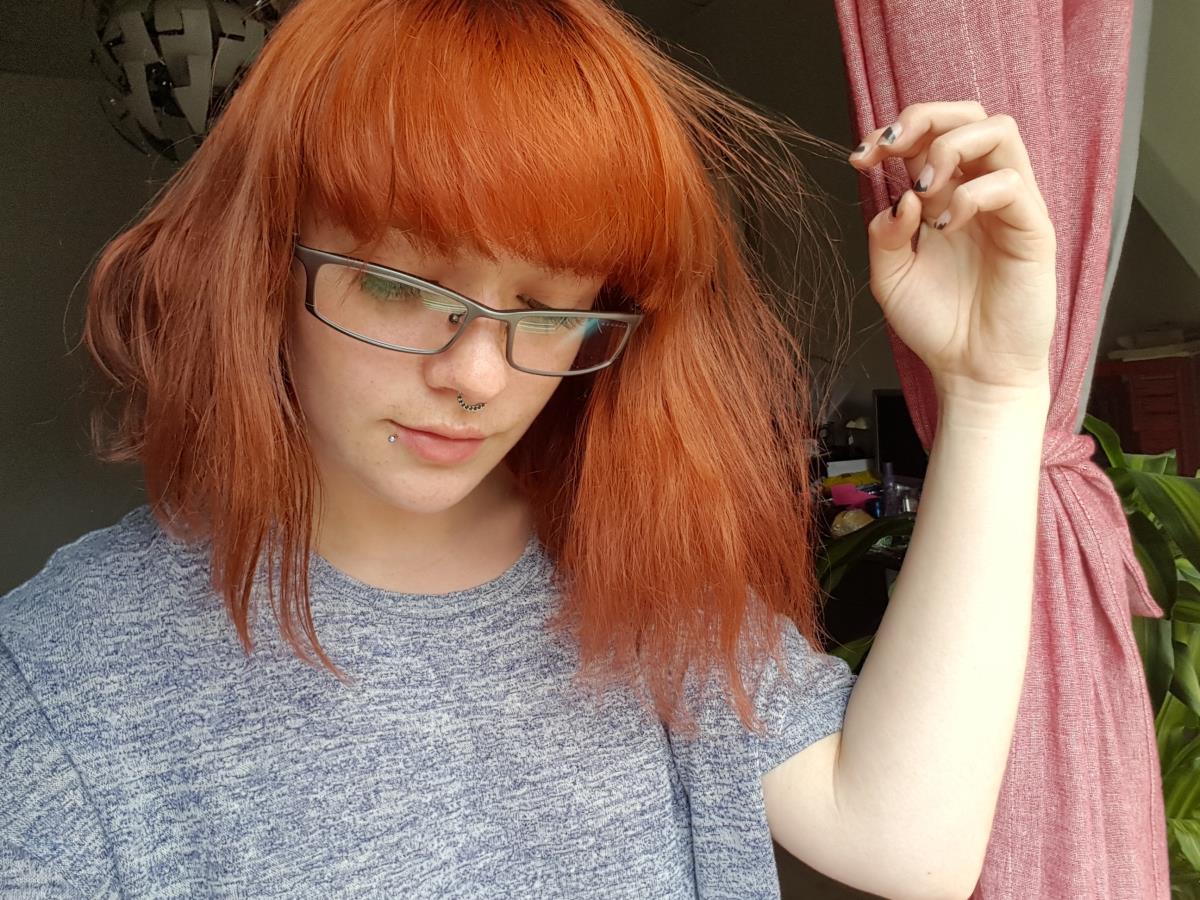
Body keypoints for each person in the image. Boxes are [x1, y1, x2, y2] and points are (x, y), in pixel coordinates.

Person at [0, 1, 1055, 897]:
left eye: (548, 309)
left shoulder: (637, 579)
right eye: (402, 286)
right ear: (262, 265)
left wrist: (994, 392)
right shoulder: (62, 685)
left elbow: (906, 839)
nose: (478, 376)